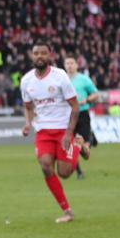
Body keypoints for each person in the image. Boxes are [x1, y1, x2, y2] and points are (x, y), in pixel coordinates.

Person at [20, 44, 85, 224]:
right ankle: (67, 211)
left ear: (50, 55)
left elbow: (75, 106)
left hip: (63, 130)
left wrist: (69, 133)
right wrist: (27, 123)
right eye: (36, 53)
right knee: (46, 166)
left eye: (43, 53)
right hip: (42, 131)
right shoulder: (26, 81)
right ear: (31, 56)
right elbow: (28, 107)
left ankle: (78, 144)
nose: (39, 56)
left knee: (64, 172)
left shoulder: (60, 76)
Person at [64, 55, 98, 179]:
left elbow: (95, 94)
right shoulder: (61, 80)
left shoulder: (84, 79)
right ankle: (78, 172)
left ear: (76, 65)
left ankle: (89, 140)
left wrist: (87, 99)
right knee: (70, 145)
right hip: (67, 116)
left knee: (80, 144)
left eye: (71, 63)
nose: (69, 66)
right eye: (67, 63)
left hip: (82, 113)